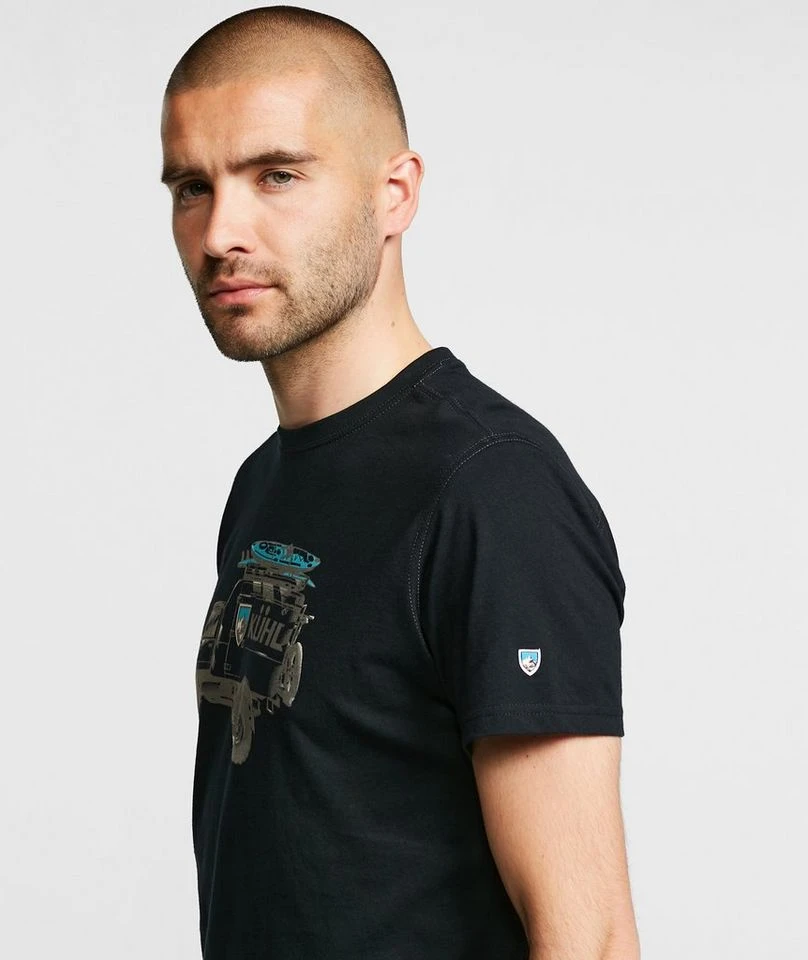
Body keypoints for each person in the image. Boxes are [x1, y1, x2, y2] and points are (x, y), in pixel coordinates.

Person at [160, 6, 639, 959]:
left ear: (395, 193)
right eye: (191, 187)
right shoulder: (266, 483)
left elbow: (589, 937)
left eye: (277, 175)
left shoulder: (493, 492)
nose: (220, 232)